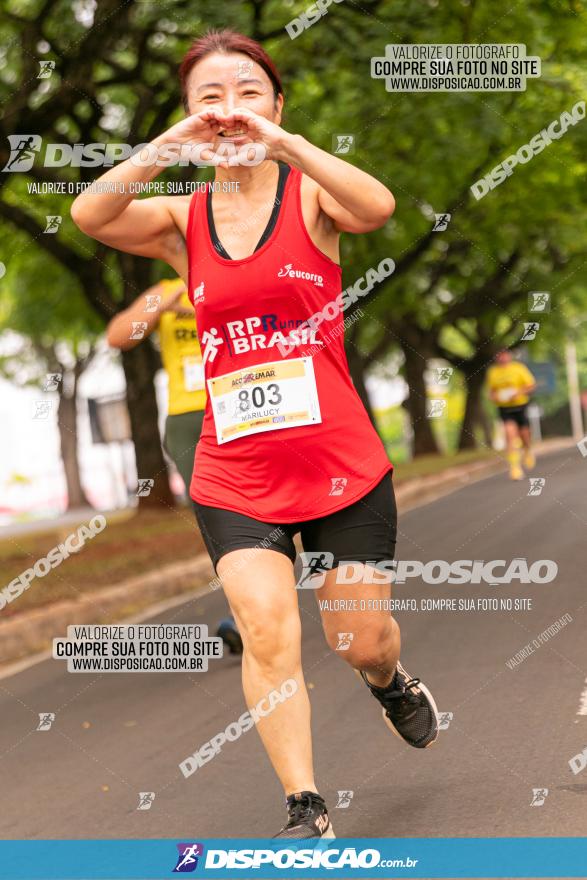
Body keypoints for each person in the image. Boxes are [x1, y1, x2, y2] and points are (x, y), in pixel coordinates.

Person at [71, 28, 439, 839]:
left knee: (357, 638)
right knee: (268, 630)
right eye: (209, 96)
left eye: (247, 92)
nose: (229, 109)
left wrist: (286, 146)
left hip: (341, 463)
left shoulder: (310, 197)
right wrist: (171, 143)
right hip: (235, 472)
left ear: (275, 104)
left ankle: (390, 683)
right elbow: (90, 212)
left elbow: (375, 207)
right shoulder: (181, 217)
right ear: (190, 115)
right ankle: (304, 804)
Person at [106, 278, 242, 655]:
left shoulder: (232, 273)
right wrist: (163, 305)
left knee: (264, 508)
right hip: (187, 418)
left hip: (240, 401)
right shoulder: (165, 289)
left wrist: (199, 307)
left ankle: (263, 597)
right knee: (215, 518)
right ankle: (244, 615)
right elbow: (119, 336)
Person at [486, 350, 537, 480]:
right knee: (510, 435)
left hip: (520, 406)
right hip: (505, 408)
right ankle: (515, 468)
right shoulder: (493, 372)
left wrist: (519, 393)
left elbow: (531, 386)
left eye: (504, 355)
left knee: (525, 434)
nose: (502, 358)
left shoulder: (519, 368)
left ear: (509, 356)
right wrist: (495, 397)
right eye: (499, 355)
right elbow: (491, 392)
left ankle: (527, 450)